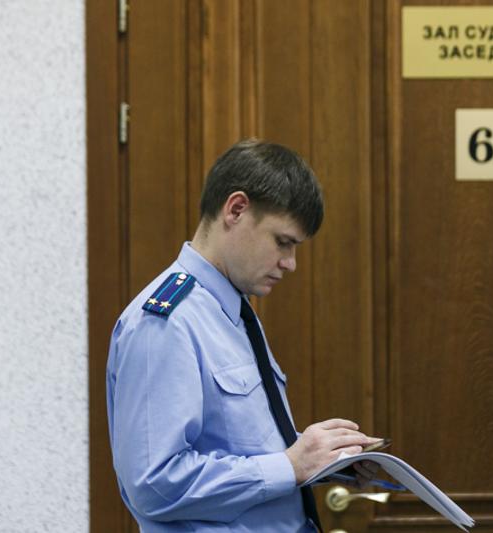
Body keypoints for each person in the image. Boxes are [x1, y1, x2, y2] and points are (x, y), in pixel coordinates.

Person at [106, 139, 380, 532]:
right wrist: (290, 465)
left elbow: (237, 445)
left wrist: (324, 459)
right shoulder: (167, 322)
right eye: (282, 242)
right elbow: (154, 484)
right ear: (236, 209)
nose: (290, 263)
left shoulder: (231, 311)